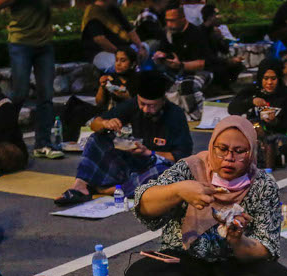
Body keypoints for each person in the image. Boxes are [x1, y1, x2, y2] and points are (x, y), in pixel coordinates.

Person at [123, 116, 287, 276]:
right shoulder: (189, 169)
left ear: (252, 153)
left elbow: (266, 247)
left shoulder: (263, 184)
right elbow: (144, 204)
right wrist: (178, 191)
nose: (229, 158)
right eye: (222, 149)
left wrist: (238, 241)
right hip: (183, 263)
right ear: (211, 146)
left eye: (239, 151)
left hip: (231, 269)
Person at [54, 71, 193, 206]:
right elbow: (95, 124)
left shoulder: (175, 115)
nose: (145, 109)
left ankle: (110, 190)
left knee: (169, 174)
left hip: (155, 165)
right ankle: (80, 186)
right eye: (142, 104)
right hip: (131, 163)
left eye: (151, 106)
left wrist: (149, 153)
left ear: (162, 101)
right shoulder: (132, 105)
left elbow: (182, 157)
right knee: (97, 138)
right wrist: (105, 123)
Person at [0, 0, 57, 158]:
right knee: (20, 93)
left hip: (45, 43)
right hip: (20, 42)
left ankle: (43, 143)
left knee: (46, 95)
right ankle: (5, 137)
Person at [228, 57, 287, 168]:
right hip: (253, 134)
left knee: (282, 143)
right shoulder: (253, 91)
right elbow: (232, 108)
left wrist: (275, 122)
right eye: (266, 78)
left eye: (273, 79)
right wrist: (251, 101)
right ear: (260, 78)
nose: (269, 82)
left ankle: (268, 157)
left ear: (279, 78)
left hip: (277, 135)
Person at [153, 3, 213, 122]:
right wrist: (160, 56)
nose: (169, 24)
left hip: (199, 71)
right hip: (174, 71)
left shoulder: (196, 33)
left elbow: (202, 63)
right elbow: (163, 51)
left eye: (172, 21)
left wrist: (181, 65)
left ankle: (196, 116)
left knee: (186, 86)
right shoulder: (168, 33)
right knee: (154, 81)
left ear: (182, 19)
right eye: (167, 20)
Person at [80, 0, 148, 69]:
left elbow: (130, 30)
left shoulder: (113, 9)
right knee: (116, 63)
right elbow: (100, 40)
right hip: (101, 53)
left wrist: (140, 46)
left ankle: (138, 71)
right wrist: (120, 54)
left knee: (145, 47)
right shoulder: (93, 12)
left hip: (123, 48)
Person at [201, 4, 246, 91]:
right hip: (206, 64)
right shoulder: (200, 32)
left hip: (215, 61)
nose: (219, 17)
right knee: (222, 68)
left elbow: (225, 50)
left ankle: (224, 87)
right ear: (210, 17)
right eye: (216, 15)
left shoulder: (214, 31)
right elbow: (207, 56)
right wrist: (227, 61)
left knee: (238, 65)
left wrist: (221, 38)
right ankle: (217, 88)